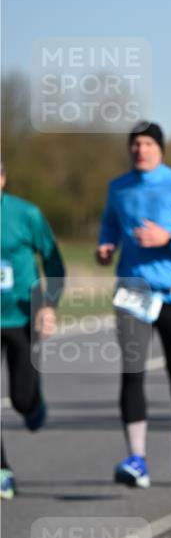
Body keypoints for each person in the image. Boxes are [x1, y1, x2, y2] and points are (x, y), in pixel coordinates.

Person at [97, 121, 171, 487]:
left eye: (148, 143)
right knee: (132, 372)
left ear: (160, 148)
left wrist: (170, 238)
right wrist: (106, 246)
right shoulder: (118, 188)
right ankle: (136, 459)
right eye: (135, 144)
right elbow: (109, 226)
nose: (141, 150)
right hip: (134, 294)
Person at [0, 163, 65, 499]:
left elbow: (54, 263)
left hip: (22, 317)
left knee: (21, 400)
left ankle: (33, 401)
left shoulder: (26, 214)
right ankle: (2, 470)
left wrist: (48, 305)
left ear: (3, 178)